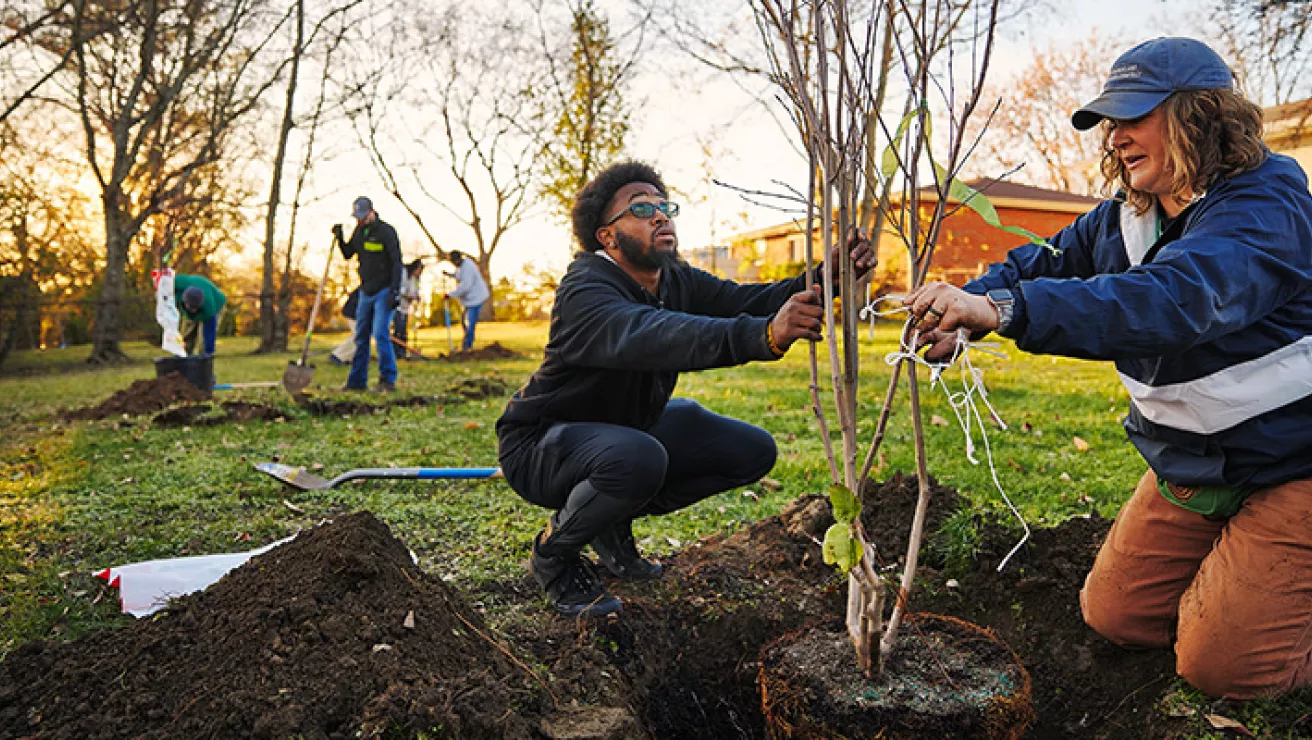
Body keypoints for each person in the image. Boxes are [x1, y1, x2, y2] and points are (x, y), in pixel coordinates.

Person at [905, 38, 1312, 699]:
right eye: (1108, 123)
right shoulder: (1125, 219)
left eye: (1133, 117)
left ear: (1200, 115)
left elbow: (1173, 300)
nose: (1116, 137)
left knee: (1221, 669)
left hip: (1295, 462)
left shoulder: (1267, 207)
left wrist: (1004, 311)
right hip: (1198, 462)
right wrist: (965, 306)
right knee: (1117, 616)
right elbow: (1035, 264)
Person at [495, 161, 875, 618]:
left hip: (623, 433)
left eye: (663, 205)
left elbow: (744, 299)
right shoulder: (586, 289)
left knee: (750, 450)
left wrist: (824, 276)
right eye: (641, 208)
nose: (660, 215)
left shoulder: (674, 279)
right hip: (541, 445)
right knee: (637, 458)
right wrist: (763, 336)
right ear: (607, 236)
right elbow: (652, 333)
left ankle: (609, 520)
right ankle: (554, 554)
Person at [332, 196, 402, 392]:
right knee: (360, 337)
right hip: (366, 290)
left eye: (363, 216)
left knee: (380, 333)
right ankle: (356, 383)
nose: (360, 220)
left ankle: (387, 380)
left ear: (371, 211)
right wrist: (339, 237)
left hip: (385, 290)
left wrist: (395, 291)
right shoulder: (359, 232)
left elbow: (397, 262)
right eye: (357, 217)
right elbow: (348, 254)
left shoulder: (386, 232)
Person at [444, 250, 489, 352]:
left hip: (476, 298)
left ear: (457, 260)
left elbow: (465, 286)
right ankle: (466, 344)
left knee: (470, 323)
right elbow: (459, 275)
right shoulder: (461, 267)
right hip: (470, 300)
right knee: (465, 323)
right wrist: (450, 275)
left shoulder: (468, 267)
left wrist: (450, 295)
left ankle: (467, 346)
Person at [173, 273, 227, 356]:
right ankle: (182, 360)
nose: (194, 311)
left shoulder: (208, 308)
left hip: (217, 304)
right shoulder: (177, 286)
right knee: (186, 335)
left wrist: (208, 353)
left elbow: (209, 333)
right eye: (192, 308)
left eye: (196, 308)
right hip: (191, 305)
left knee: (204, 344)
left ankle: (202, 362)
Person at [393, 259, 425, 360]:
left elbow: (415, 289)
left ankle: (402, 351)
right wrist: (407, 295)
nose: (419, 272)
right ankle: (396, 351)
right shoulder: (403, 273)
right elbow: (399, 288)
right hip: (397, 306)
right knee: (398, 329)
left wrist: (417, 296)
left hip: (406, 308)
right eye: (418, 270)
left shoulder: (416, 279)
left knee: (403, 330)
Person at [329, 289, 359, 367]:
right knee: (359, 337)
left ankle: (348, 358)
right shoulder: (373, 286)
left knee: (357, 336)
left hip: (354, 313)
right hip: (353, 313)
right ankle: (337, 356)